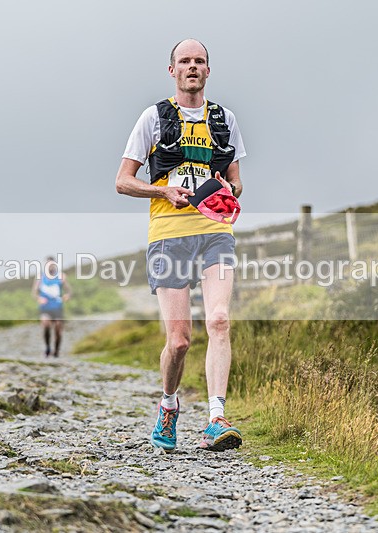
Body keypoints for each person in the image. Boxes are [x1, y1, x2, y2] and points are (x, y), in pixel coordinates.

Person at [115, 39, 246, 452]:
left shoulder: (224, 119)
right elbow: (122, 180)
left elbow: (237, 181)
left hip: (214, 232)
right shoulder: (153, 118)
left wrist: (229, 187)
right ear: (172, 70)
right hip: (168, 236)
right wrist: (162, 192)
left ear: (209, 70)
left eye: (200, 61)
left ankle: (216, 417)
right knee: (179, 341)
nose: (193, 67)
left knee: (220, 320)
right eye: (185, 61)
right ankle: (169, 406)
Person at [31, 257, 71, 357]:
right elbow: (34, 292)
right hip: (45, 307)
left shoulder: (61, 276)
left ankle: (56, 350)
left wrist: (67, 295)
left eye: (52, 264)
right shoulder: (40, 277)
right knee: (46, 325)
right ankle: (47, 347)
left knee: (58, 328)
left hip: (57, 307)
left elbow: (69, 290)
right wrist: (38, 298)